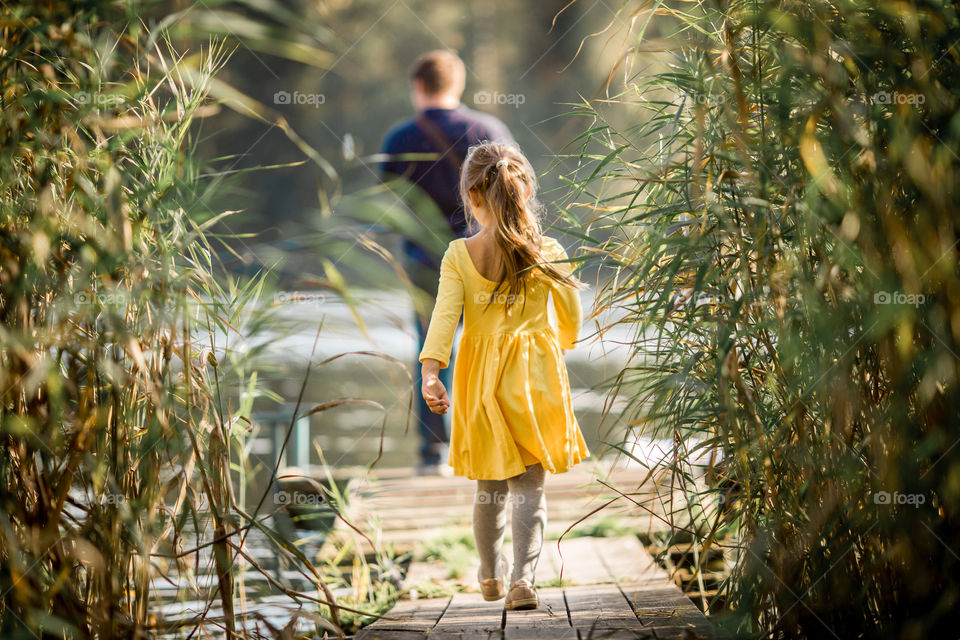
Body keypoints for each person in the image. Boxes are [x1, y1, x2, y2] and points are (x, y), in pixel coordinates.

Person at [417, 142, 589, 611]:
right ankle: (522, 581)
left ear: (472, 196)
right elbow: (572, 321)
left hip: (480, 381)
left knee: (490, 487)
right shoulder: (549, 251)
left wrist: (432, 372)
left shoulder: (458, 254)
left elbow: (443, 319)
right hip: (535, 378)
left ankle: (489, 575)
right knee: (529, 485)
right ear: (526, 190)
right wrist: (560, 341)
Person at [378, 50, 514, 474]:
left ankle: (433, 454)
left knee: (432, 353)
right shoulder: (489, 129)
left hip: (425, 263)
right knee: (492, 346)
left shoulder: (400, 138)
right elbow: (516, 193)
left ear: (418, 87)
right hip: (485, 256)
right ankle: (494, 442)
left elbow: (387, 206)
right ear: (458, 83)